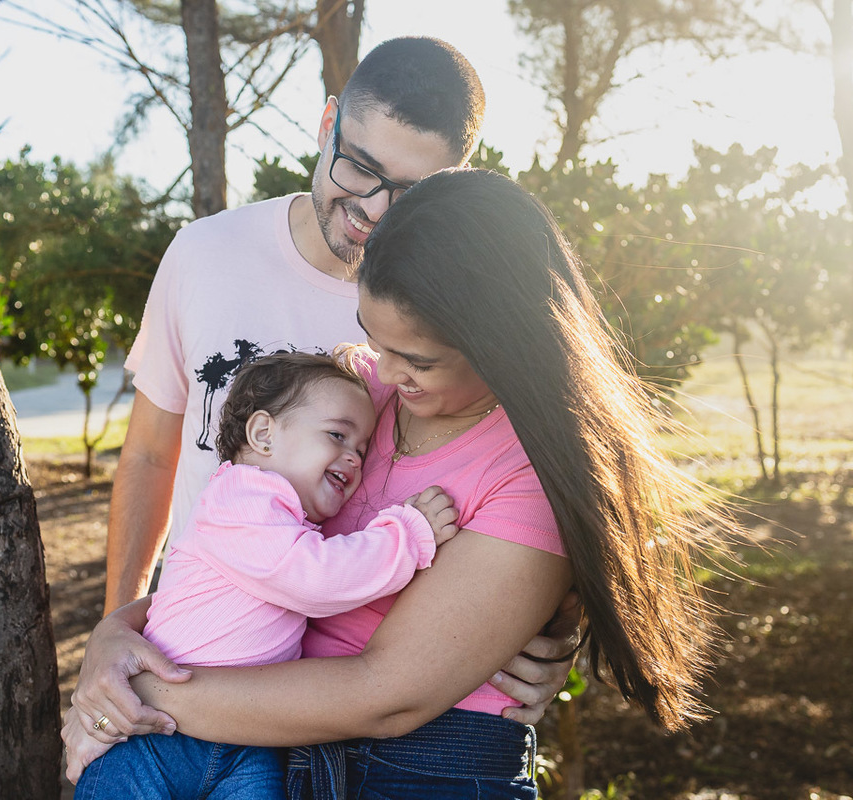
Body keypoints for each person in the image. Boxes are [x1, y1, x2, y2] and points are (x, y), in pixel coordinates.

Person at [68, 169, 728, 798]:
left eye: (417, 360)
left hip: (421, 769)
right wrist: (115, 637)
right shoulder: (355, 398)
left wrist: (142, 697)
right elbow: (241, 544)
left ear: (502, 344)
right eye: (373, 338)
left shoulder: (533, 473)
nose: (383, 371)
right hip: (264, 738)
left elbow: (387, 695)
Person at [92, 35, 580, 750]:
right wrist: (117, 632)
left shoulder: (452, 313)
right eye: (360, 167)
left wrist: (547, 621)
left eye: (410, 192)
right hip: (198, 654)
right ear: (328, 125)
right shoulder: (205, 254)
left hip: (313, 699)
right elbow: (149, 459)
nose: (374, 209)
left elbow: (521, 475)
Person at [68, 351, 460, 797]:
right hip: (158, 737)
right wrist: (408, 535)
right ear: (263, 434)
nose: (353, 458)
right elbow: (316, 577)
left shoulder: (283, 517)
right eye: (337, 435)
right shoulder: (241, 499)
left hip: (248, 736)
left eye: (362, 450)